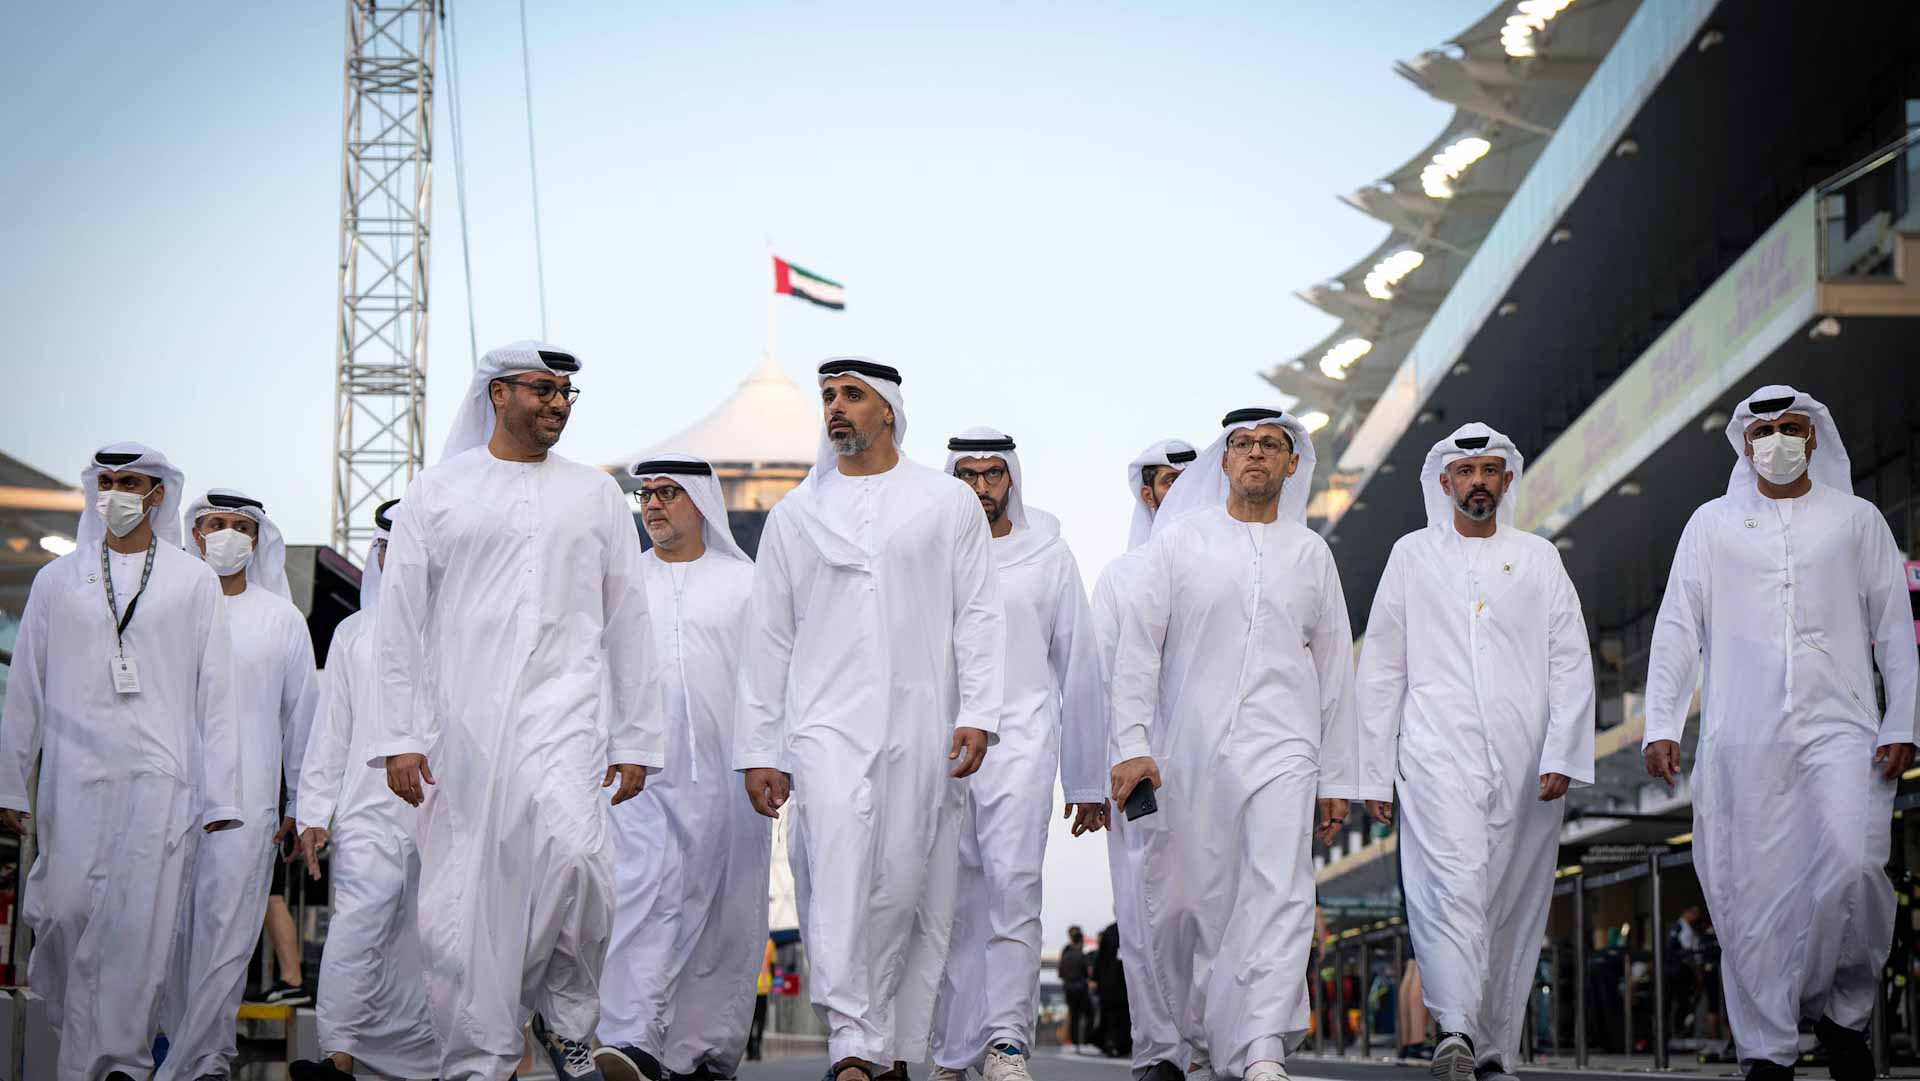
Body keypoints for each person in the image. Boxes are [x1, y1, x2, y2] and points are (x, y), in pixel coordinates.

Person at [376, 340, 664, 1081]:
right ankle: (482, 1054)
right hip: (463, 727)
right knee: (466, 902)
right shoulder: (437, 491)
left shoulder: (595, 494)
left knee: (580, 862)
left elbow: (628, 617)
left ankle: (564, 1020)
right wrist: (401, 735)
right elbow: (399, 621)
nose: (558, 403)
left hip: (567, 714)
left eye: (566, 391)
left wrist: (636, 736)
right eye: (543, 389)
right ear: (498, 394)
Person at [735, 357, 1005, 1081]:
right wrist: (761, 747)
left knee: (904, 881)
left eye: (851, 395)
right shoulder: (796, 515)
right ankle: (851, 1040)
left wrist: (979, 710)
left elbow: (979, 614)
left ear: (887, 409)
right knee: (837, 864)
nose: (836, 406)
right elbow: (768, 640)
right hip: (823, 723)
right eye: (828, 395)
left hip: (922, 718)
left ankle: (887, 1045)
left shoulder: (946, 503)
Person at [1644, 385, 1918, 1081]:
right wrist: (1661, 722)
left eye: (1789, 427)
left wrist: (1903, 718)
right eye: (1761, 430)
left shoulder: (1856, 520)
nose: (1776, 440)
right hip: (1742, 733)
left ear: (1814, 435)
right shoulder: (1710, 525)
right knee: (1752, 896)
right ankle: (1767, 1048)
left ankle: (1840, 1010)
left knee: (1856, 865)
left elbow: (1893, 626)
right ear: (1744, 444)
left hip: (1843, 726)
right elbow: (1676, 625)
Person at [1109, 408, 1370, 1081]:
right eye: (1243, 444)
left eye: (1270, 445)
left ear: (1292, 463)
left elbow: (1335, 669)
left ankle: (1261, 1045)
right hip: (1190, 750)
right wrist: (1131, 743)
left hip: (1286, 747)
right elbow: (1138, 650)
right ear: (1223, 460)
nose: (1256, 453)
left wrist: (1338, 776)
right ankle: (1206, 1032)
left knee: (1282, 891)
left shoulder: (1310, 553)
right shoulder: (1180, 542)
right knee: (1192, 904)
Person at [1353, 423, 1595, 1081]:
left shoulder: (1538, 557)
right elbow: (1382, 668)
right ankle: (1456, 1025)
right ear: (1445, 482)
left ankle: (1492, 1048)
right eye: (1466, 472)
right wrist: (1372, 769)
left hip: (1526, 760)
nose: (1478, 482)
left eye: (1489, 470)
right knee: (1452, 881)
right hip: (1434, 751)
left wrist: (1564, 750)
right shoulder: (1411, 555)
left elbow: (1570, 657)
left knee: (1512, 902)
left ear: (1506, 479)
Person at [0, 443, 241, 1081]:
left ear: (157, 493)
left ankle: (121, 1064)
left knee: (140, 928)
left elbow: (217, 694)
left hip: (163, 780)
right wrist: (9, 786)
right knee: (63, 914)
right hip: (73, 779)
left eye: (129, 482)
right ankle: (84, 1045)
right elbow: (25, 687)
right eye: (106, 481)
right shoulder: (58, 579)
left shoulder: (193, 581)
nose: (116, 493)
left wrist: (222, 796)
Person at [930, 428, 1106, 1081]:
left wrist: (1085, 780)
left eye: (992, 474)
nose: (981, 487)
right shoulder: (928, 557)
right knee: (950, 902)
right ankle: (952, 1050)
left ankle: (1005, 1041)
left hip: (1024, 743)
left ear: (1011, 480)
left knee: (1014, 887)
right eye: (968, 475)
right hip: (941, 749)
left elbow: (1079, 667)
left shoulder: (1048, 556)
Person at [595, 455, 772, 1081]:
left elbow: (773, 679)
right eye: (646, 495)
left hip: (731, 774)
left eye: (668, 493)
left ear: (701, 502)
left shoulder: (746, 583)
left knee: (725, 909)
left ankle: (702, 1052)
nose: (653, 505)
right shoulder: (622, 582)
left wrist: (771, 758)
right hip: (639, 771)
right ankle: (631, 1036)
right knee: (642, 894)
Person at [160, 490, 322, 1081]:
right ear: (194, 533)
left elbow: (303, 721)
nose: (226, 534)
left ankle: (205, 1059)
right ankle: (173, 1048)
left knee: (227, 935)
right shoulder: (167, 611)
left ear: (257, 541)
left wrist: (301, 803)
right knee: (167, 933)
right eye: (214, 523)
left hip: (250, 804)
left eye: (239, 526)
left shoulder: (282, 620)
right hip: (168, 795)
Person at [290, 498, 440, 1081]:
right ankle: (339, 1055)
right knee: (358, 923)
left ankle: (432, 1060)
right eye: (385, 549)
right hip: (366, 811)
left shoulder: (459, 630)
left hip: (444, 810)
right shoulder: (353, 633)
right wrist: (314, 813)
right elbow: (331, 730)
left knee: (435, 936)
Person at [1089, 438, 1195, 1081]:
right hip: (1138, 769)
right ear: (1147, 495)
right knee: (1143, 909)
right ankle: (1159, 1050)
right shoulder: (1120, 578)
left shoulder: (1229, 566)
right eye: (1164, 481)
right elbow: (1098, 681)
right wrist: (1095, 776)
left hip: (1215, 765)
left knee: (1210, 907)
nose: (1175, 490)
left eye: (1187, 478)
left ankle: (1214, 1043)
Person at [1059, 927, 1094, 1054]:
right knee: (1089, 1013)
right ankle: (1086, 1042)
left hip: (1069, 988)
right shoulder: (1082, 956)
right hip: (1081, 988)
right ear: (1081, 942)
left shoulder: (1066, 955)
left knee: (1074, 1016)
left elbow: (1060, 973)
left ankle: (1074, 1043)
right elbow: (1088, 972)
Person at [749, 938, 777, 1062]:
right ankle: (758, 1049)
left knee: (748, 1021)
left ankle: (750, 1051)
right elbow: (772, 966)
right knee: (760, 1020)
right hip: (763, 988)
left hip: (749, 988)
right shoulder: (769, 943)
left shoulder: (749, 938)